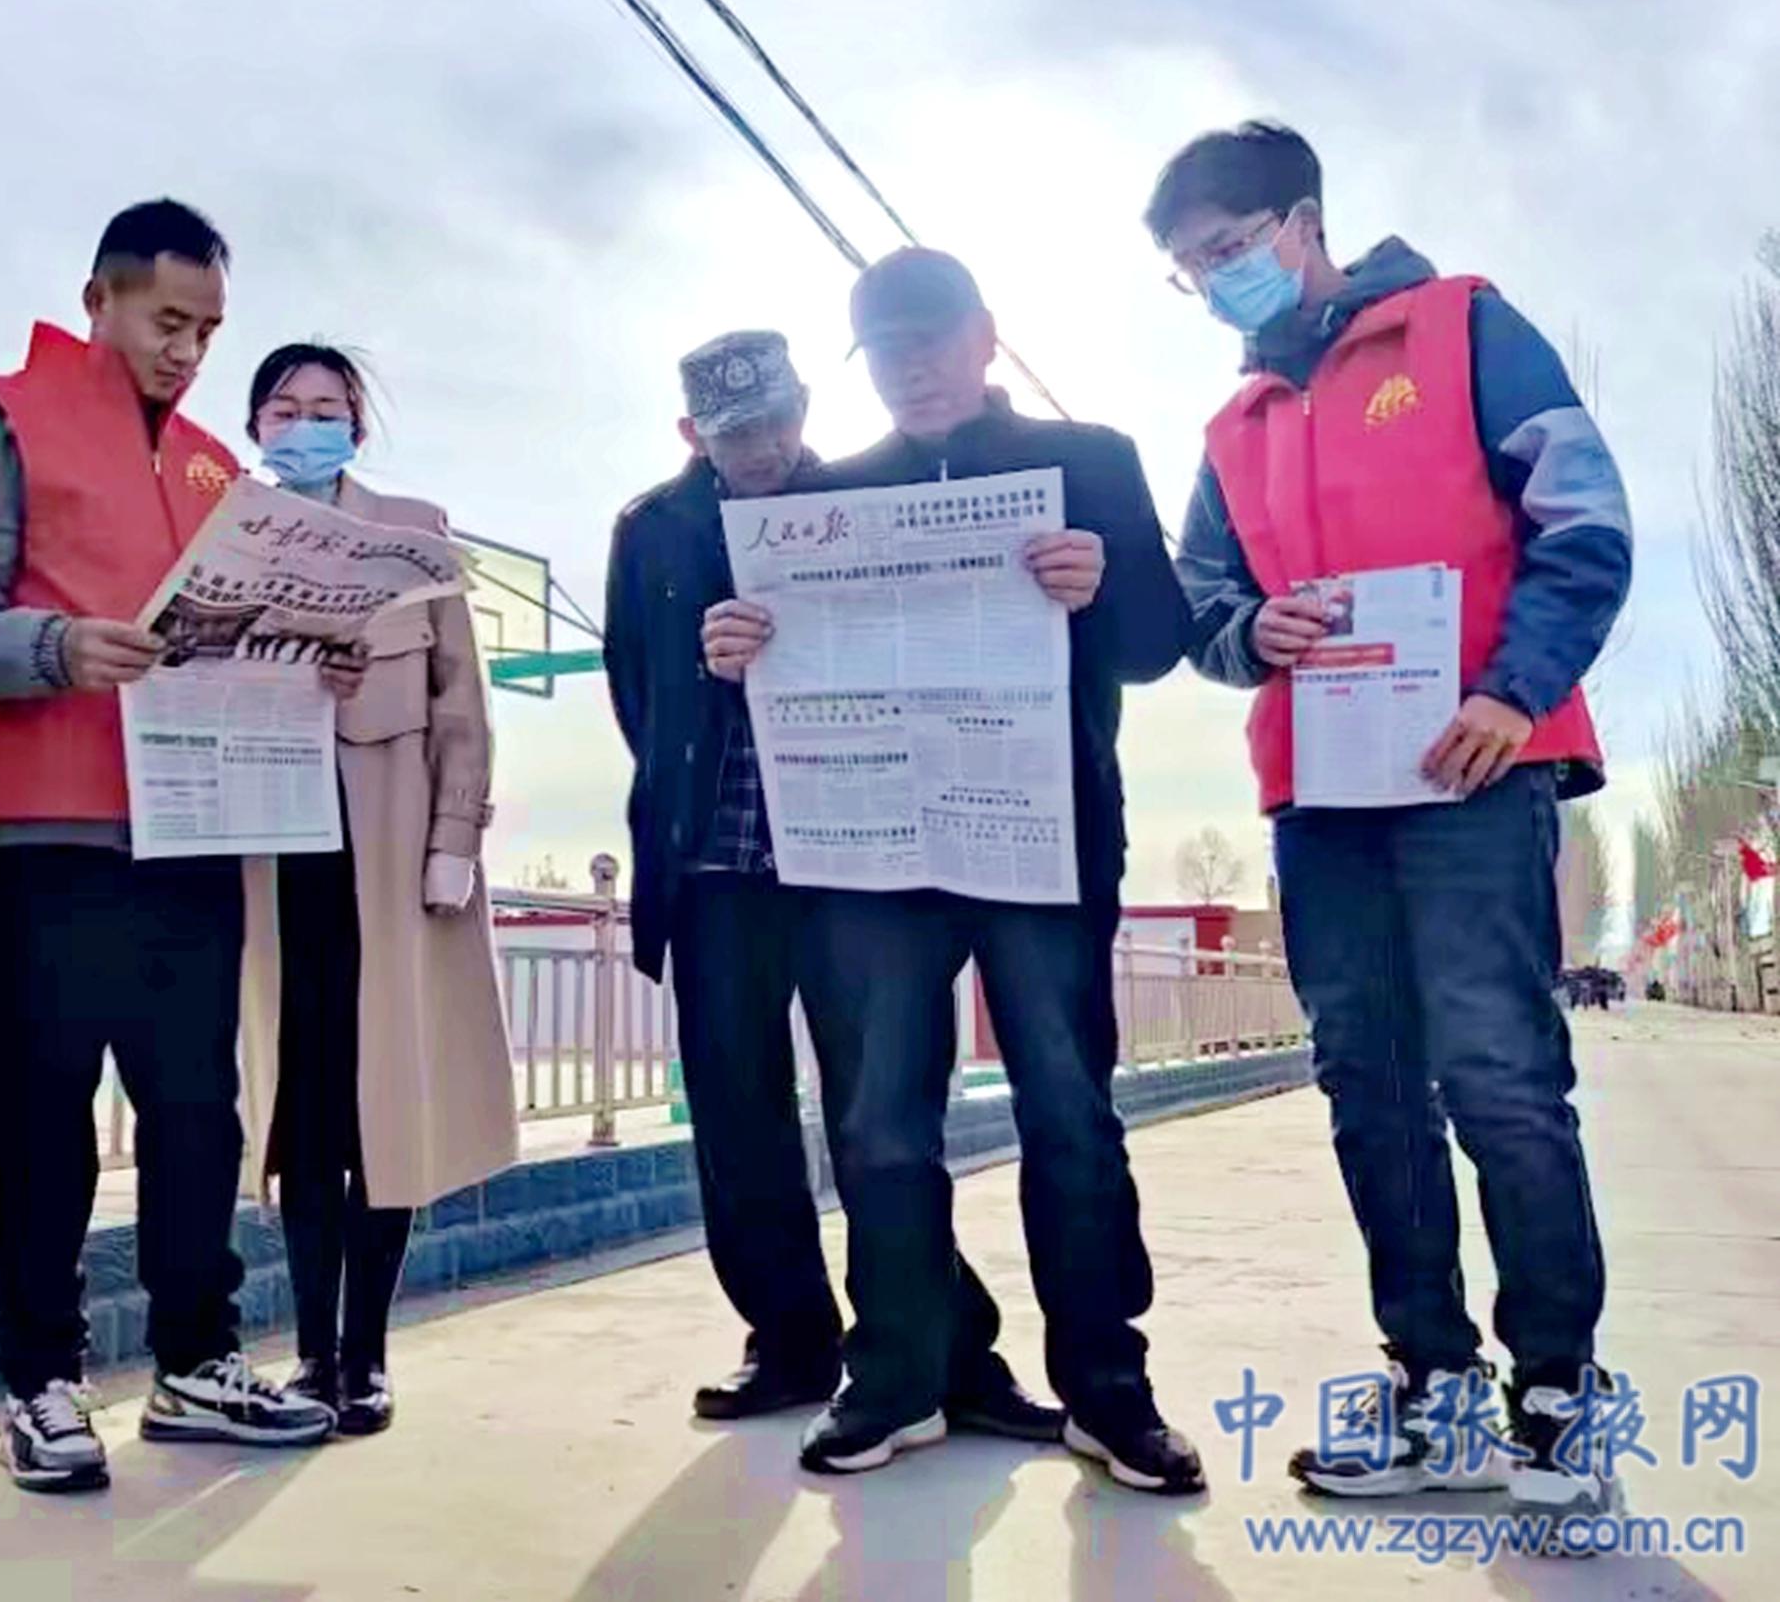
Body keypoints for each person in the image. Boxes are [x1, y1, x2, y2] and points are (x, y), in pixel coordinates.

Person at [1146, 122, 1632, 1523]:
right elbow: (1200, 603)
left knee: (1498, 1077)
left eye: (1227, 250)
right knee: (1367, 1082)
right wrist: (1251, 630)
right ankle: (1436, 1390)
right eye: (1188, 271)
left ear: (1303, 222)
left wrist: (1512, 689)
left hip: (1475, 767)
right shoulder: (1233, 429)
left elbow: (1585, 520)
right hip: (1324, 797)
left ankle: (1560, 1397)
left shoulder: (1461, 329)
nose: (1215, 283)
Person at [703, 259, 1205, 1492]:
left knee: (1069, 1111)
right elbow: (773, 660)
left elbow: (1158, 644)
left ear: (985, 337)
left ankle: (1108, 1389)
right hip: (873, 850)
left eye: (930, 341)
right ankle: (895, 1377)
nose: (911, 368)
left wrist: (1098, 585)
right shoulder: (826, 497)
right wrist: (735, 643)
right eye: (884, 351)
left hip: (1043, 838)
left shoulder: (1088, 459)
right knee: (878, 1119)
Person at [0, 201, 342, 1496]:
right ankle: (39, 1379)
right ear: (98, 297)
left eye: (208, 330)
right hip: (51, 822)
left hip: (196, 823)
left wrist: (306, 660)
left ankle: (196, 1360)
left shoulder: (216, 467)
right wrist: (56, 647)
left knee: (198, 1105)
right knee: (45, 1107)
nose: (187, 352)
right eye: (167, 321)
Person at [607, 331, 1062, 1462]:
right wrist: (710, 673)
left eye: (776, 420)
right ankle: (789, 1340)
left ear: (807, 405)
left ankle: (949, 1351)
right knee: (735, 1111)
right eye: (734, 433)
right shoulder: (651, 528)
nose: (762, 447)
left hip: (859, 858)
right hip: (716, 863)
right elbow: (637, 693)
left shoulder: (871, 501)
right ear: (691, 435)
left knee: (881, 1112)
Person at [233, 344, 519, 1437]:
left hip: (390, 856)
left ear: (357, 425)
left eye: (328, 408)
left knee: (386, 1108)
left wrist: (456, 840)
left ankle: (369, 1355)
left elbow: (461, 705)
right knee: (301, 1112)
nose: (306, 425)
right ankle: (313, 1353)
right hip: (274, 859)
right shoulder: (225, 535)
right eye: (284, 407)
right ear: (255, 424)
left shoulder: (413, 533)